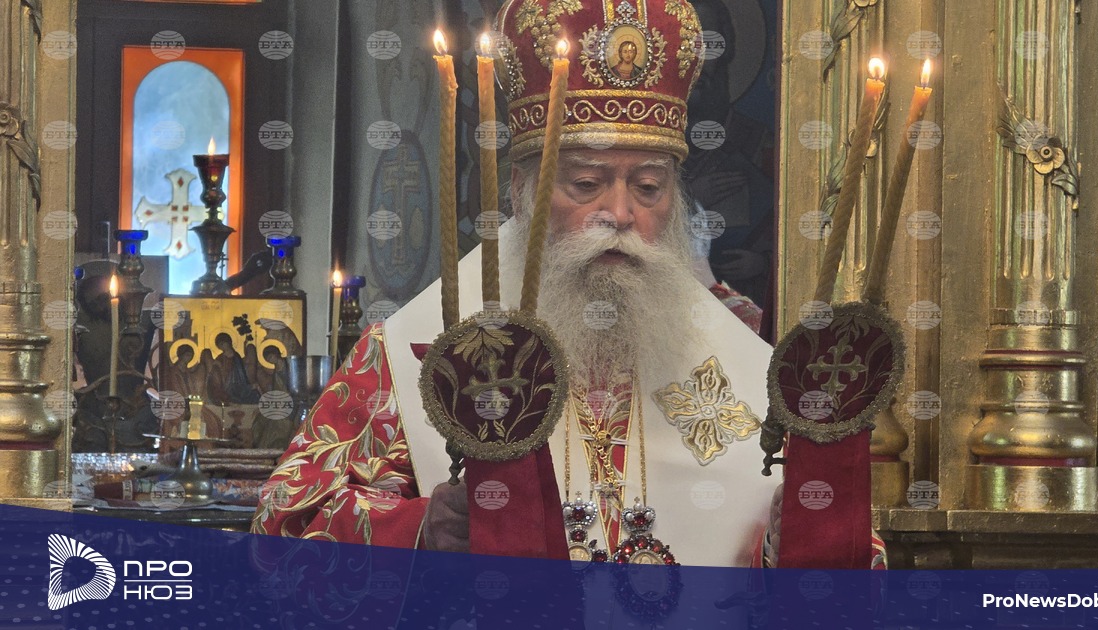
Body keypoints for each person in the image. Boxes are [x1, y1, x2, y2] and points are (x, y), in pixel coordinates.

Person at [253, 0, 881, 570]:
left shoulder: (740, 346)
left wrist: (787, 546)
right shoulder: (415, 350)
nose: (620, 213)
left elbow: (850, 558)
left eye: (648, 187)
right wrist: (421, 530)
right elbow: (283, 526)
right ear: (522, 189)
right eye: (586, 183)